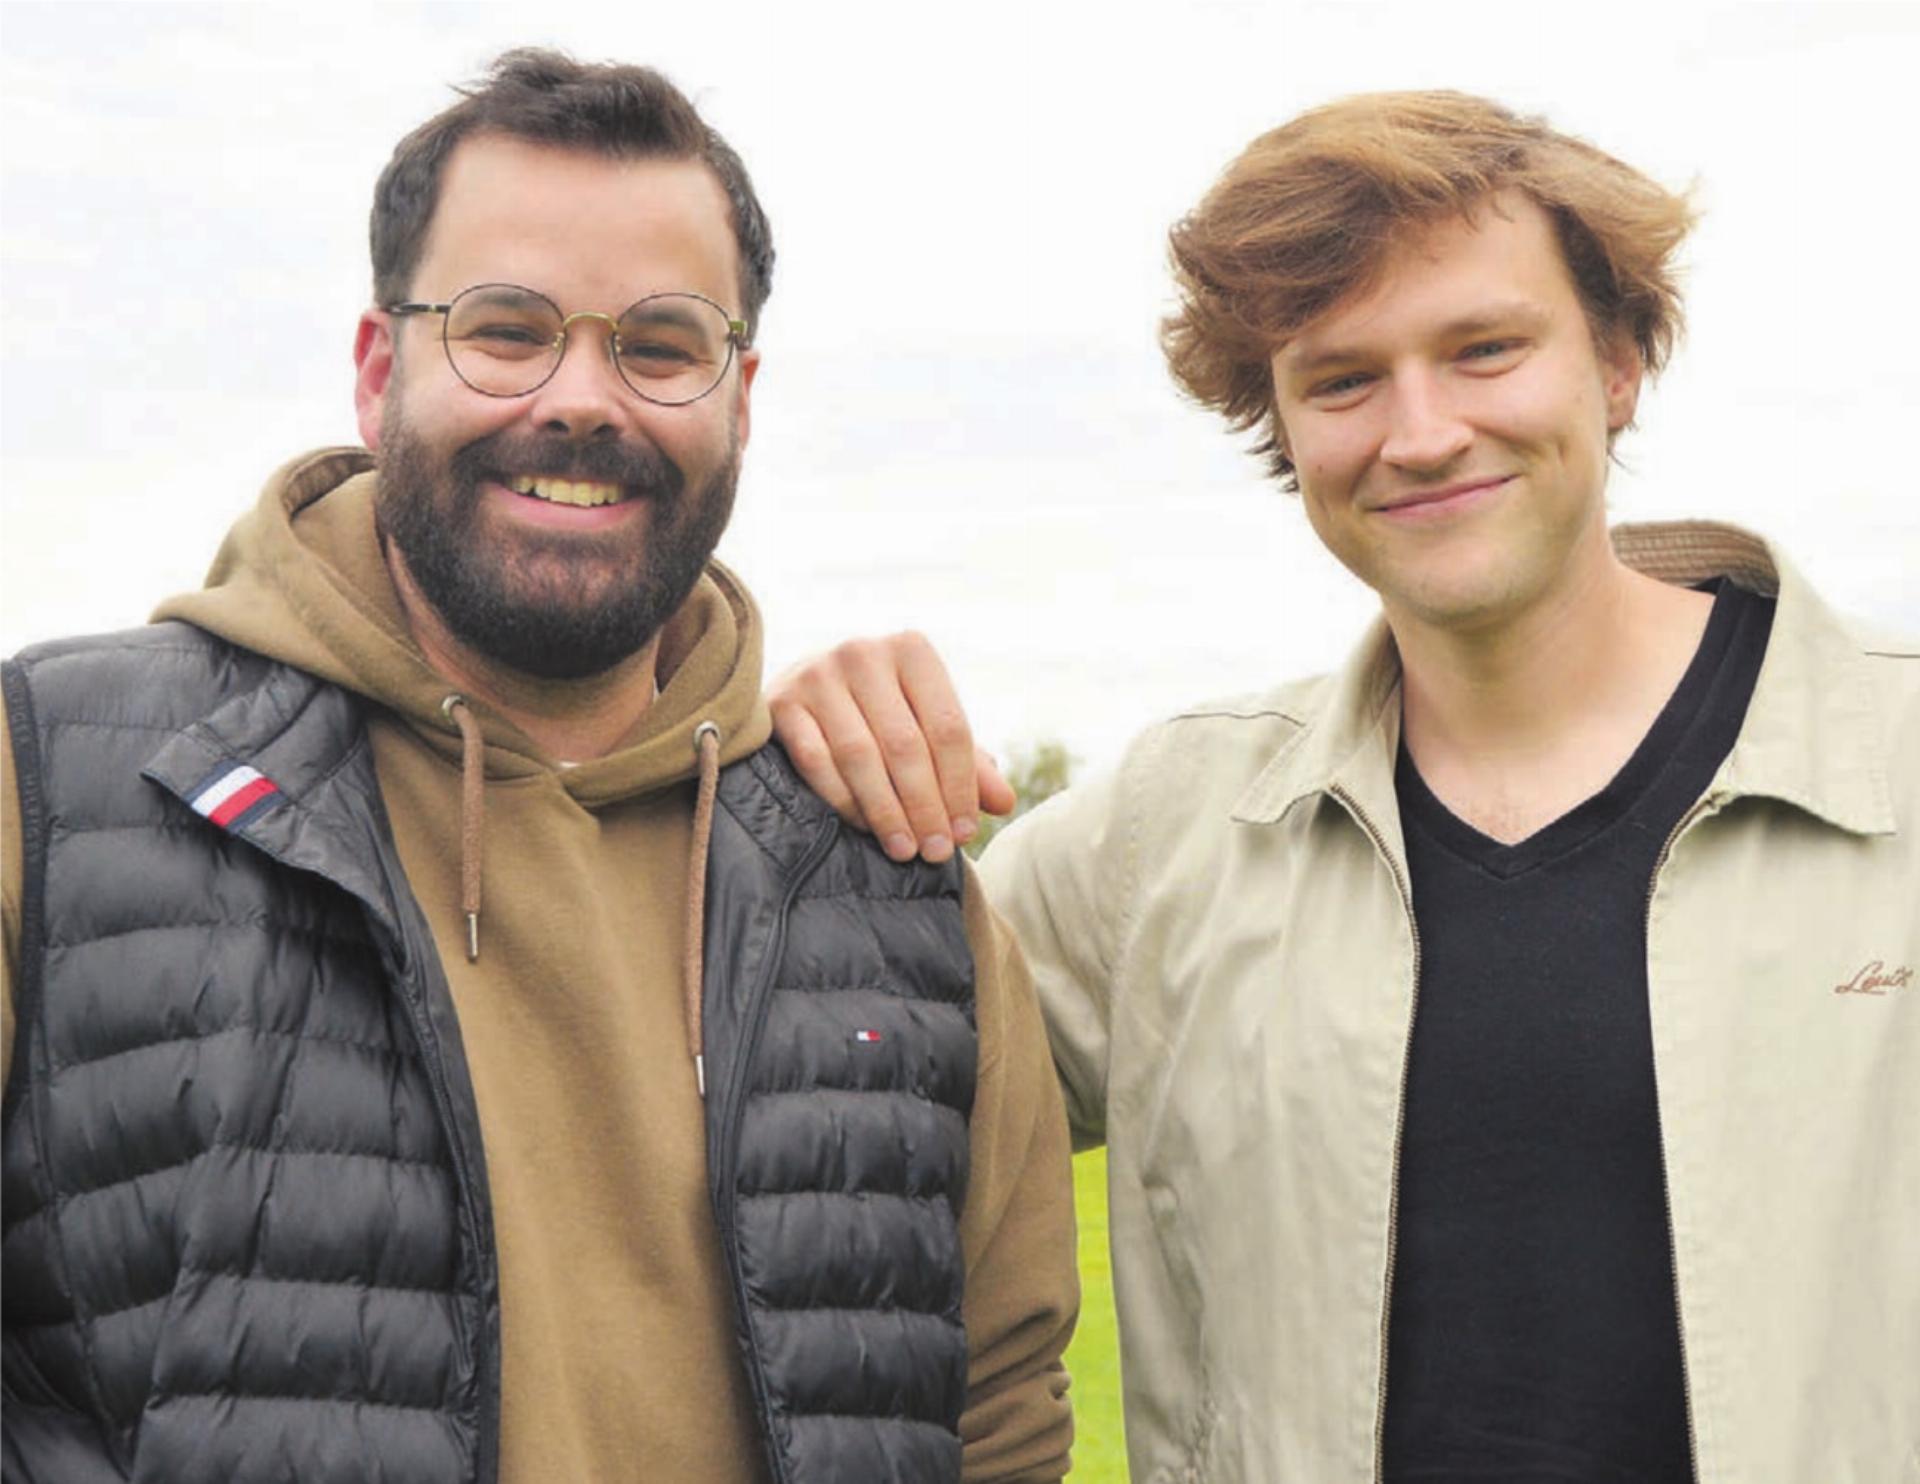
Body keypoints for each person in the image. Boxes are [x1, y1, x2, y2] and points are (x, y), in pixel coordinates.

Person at [770, 92, 1920, 1481]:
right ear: (1283, 426)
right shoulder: (1162, 838)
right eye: (1342, 379)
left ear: (1618, 364)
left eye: (1484, 349)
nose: (1420, 433)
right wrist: (799, 772)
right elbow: (800, 1081)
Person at [0, 50, 1076, 1484]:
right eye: (504, 329)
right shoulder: (52, 791)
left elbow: (996, 1415)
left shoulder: (893, 878)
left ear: (741, 396)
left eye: (661, 343)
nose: (583, 399)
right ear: (381, 367)